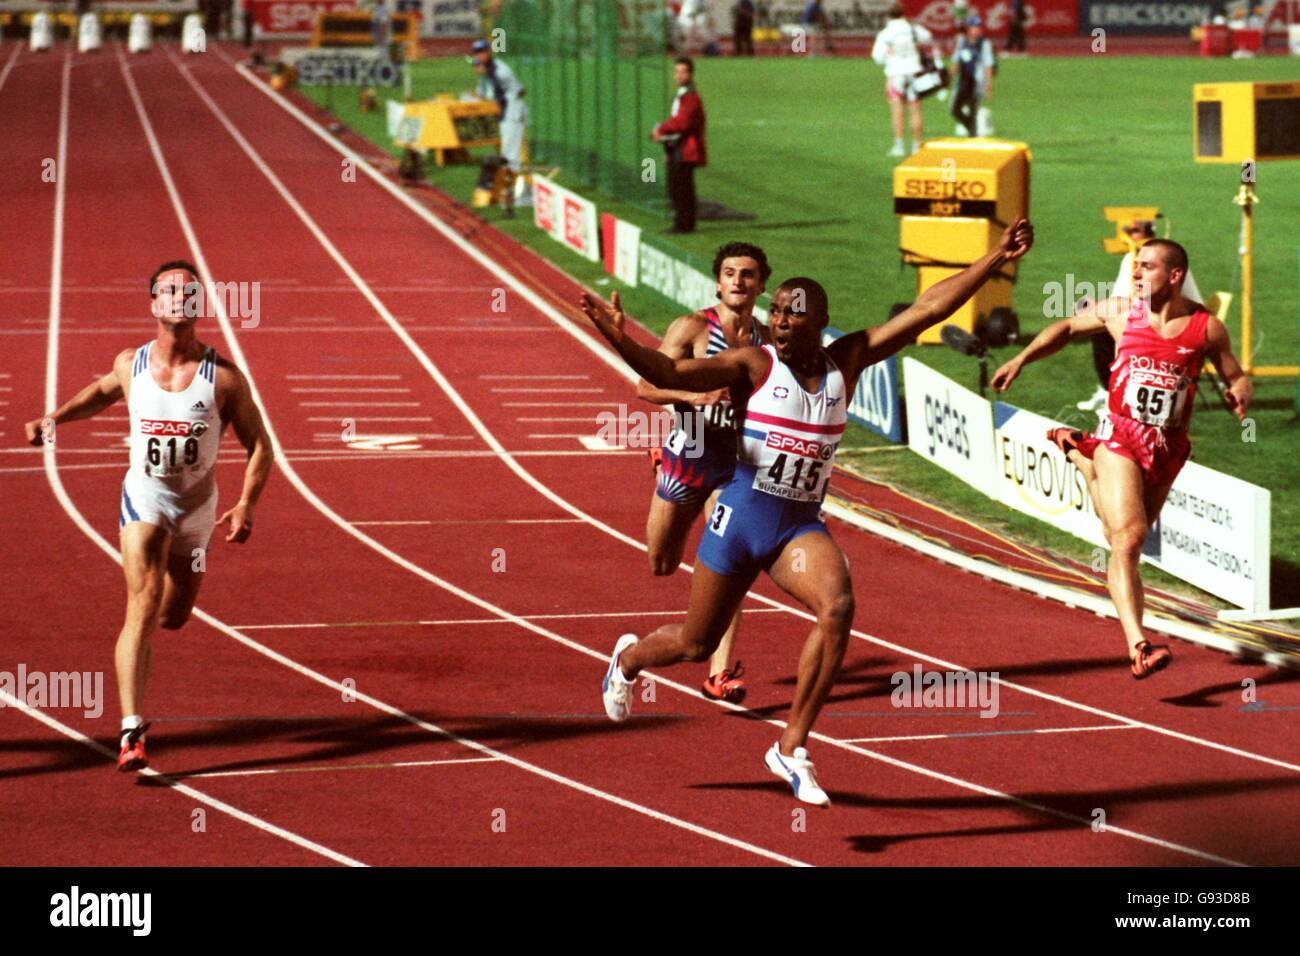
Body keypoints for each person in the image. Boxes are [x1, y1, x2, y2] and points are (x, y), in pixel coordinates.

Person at [584, 219, 1034, 805]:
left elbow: (927, 310)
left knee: (838, 604)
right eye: (779, 314)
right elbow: (667, 374)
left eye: (795, 314)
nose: (782, 321)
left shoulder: (846, 360)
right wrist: (619, 337)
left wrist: (997, 253)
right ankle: (628, 658)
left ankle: (790, 747)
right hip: (741, 514)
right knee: (696, 645)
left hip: (797, 523)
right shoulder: (753, 365)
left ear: (820, 322)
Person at [24, 261, 274, 771]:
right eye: (168, 290)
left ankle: (158, 628)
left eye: (188, 290)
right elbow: (100, 393)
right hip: (146, 496)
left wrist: (247, 503)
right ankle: (131, 729)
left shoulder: (223, 379)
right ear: (153, 304)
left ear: (198, 304)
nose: (178, 297)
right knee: (142, 602)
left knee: (173, 615)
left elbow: (260, 446)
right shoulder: (130, 365)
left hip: (198, 509)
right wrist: (54, 419)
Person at [991, 240, 1250, 679]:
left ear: (1174, 276)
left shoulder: (1206, 328)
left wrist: (1240, 394)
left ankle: (1080, 454)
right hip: (1121, 435)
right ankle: (1139, 646)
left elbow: (1236, 374)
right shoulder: (1119, 311)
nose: (1135, 274)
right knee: (1128, 539)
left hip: (1168, 447)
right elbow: (1068, 328)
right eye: (1135, 266)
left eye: (1146, 267)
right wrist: (1021, 359)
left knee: (1123, 534)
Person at [640, 242, 772, 703]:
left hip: (734, 465)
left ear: (761, 284)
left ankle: (719, 673)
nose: (739, 281)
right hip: (688, 456)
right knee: (661, 563)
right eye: (731, 273)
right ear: (718, 282)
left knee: (727, 563)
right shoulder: (693, 328)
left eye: (749, 274)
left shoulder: (767, 340)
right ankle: (659, 460)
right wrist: (694, 400)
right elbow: (645, 385)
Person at [1078, 220, 1203, 416]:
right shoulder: (1138, 258)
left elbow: (1134, 302)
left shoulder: (1151, 260)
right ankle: (1110, 392)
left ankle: (1114, 395)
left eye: (1134, 231)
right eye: (1128, 230)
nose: (1128, 235)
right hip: (1153, 318)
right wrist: (1098, 308)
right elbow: (1122, 300)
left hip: (1170, 324)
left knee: (1103, 331)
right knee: (1103, 326)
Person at [871, 2, 937, 158]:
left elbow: (877, 58)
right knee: (915, 110)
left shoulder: (885, 34)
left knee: (897, 111)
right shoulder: (913, 29)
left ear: (888, 16)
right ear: (903, 13)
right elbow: (928, 37)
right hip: (914, 72)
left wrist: (891, 53)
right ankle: (916, 145)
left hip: (896, 75)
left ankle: (899, 146)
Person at [472, 39, 530, 205]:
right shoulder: (489, 70)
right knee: (508, 154)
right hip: (506, 115)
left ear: (488, 52)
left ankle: (516, 193)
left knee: (511, 156)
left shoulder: (499, 70)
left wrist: (512, 108)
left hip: (512, 113)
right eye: (477, 53)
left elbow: (518, 90)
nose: (479, 56)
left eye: (482, 52)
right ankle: (510, 190)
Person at [653, 57, 707, 235]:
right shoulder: (683, 94)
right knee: (677, 186)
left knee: (682, 187)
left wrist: (661, 129)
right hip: (678, 146)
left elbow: (683, 122)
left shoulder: (690, 96)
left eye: (683, 71)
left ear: (690, 74)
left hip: (686, 149)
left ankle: (684, 224)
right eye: (677, 71)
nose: (679, 75)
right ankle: (682, 222)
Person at [949, 15, 995, 137]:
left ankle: (972, 134)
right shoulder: (962, 41)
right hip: (963, 82)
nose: (978, 29)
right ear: (968, 28)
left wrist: (988, 84)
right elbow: (957, 61)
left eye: (979, 27)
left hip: (976, 83)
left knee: (973, 109)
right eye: (975, 27)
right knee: (954, 109)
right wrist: (949, 77)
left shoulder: (984, 44)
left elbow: (988, 65)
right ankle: (972, 129)